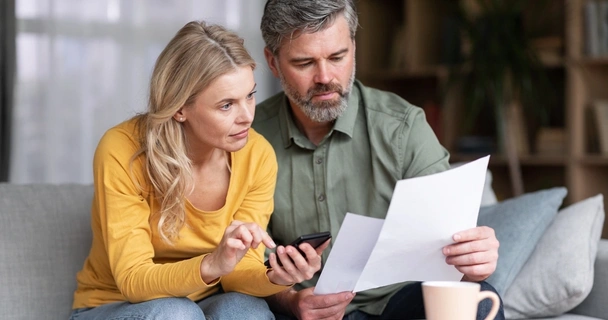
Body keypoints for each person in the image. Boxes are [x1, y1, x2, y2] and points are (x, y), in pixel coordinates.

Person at [252, 1, 505, 319]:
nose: (325, 77)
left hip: (396, 305)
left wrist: (474, 262)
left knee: (479, 299)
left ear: (353, 48)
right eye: (304, 63)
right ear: (273, 63)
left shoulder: (403, 126)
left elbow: (451, 249)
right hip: (294, 309)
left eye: (337, 57)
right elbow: (237, 259)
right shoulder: (246, 138)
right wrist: (288, 300)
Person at [70, 20, 328, 320]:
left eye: (250, 95)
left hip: (204, 303)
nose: (247, 116)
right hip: (114, 305)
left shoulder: (257, 154)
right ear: (180, 108)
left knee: (247, 312)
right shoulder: (123, 149)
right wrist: (211, 264)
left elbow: (238, 272)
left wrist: (277, 277)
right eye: (226, 105)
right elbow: (133, 280)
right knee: (177, 313)